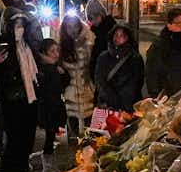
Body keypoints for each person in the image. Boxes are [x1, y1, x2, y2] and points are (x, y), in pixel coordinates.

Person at [0, 0, 40, 172]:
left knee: (27, 137)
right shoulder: (2, 45)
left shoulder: (26, 45)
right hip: (11, 98)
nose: (19, 29)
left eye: (21, 25)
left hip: (29, 96)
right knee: (14, 138)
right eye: (15, 25)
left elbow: (34, 68)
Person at [91, 20, 144, 120]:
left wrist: (123, 102)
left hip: (129, 107)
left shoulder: (135, 58)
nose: (119, 37)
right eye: (116, 34)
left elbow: (136, 82)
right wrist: (111, 98)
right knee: (105, 134)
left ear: (128, 37)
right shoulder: (103, 57)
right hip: (107, 106)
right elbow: (99, 80)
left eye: (122, 35)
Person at [32, 37, 69, 164]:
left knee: (51, 134)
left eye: (57, 51)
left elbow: (64, 83)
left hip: (55, 104)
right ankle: (47, 163)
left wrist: (63, 73)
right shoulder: (42, 69)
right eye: (52, 51)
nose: (56, 54)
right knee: (49, 133)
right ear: (44, 53)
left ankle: (48, 161)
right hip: (47, 105)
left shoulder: (55, 68)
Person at [59, 12, 94, 142]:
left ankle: (88, 144)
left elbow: (93, 65)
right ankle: (73, 143)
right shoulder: (61, 46)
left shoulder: (89, 42)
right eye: (69, 27)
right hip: (70, 90)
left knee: (89, 121)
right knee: (72, 119)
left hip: (86, 87)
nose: (72, 30)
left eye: (74, 26)